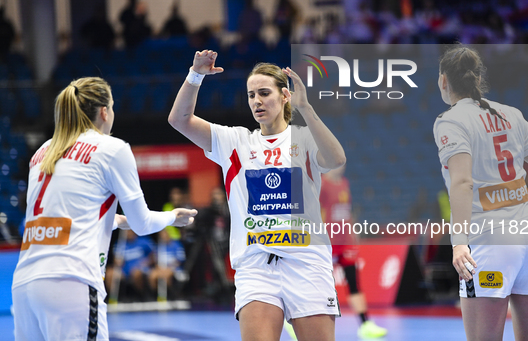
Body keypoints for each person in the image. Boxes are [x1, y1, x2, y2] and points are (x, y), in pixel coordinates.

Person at [169, 50, 346, 341]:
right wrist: (195, 74)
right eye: (252, 95)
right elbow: (180, 119)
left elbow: (336, 158)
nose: (257, 101)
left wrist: (306, 107)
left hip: (307, 263)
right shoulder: (235, 141)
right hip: (256, 266)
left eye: (264, 93)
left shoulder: (303, 137)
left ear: (285, 96)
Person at [12, 76, 197, 341]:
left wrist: (116, 221)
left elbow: (64, 216)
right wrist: (171, 217)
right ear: (104, 111)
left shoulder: (42, 152)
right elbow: (143, 223)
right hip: (71, 280)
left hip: (25, 285)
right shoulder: (111, 148)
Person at [433, 45, 528, 341]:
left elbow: (462, 183)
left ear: (444, 80)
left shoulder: (450, 121)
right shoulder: (511, 114)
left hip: (489, 241)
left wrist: (459, 243)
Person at [284, 165, 387, 339]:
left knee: (354, 283)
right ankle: (294, 321)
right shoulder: (321, 185)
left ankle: (365, 324)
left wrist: (353, 232)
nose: (341, 165)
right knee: (312, 284)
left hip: (345, 242)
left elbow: (347, 211)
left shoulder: (344, 183)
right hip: (326, 242)